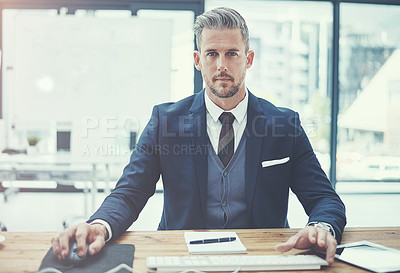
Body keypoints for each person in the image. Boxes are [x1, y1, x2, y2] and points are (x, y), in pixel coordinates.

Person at [52, 7, 346, 264]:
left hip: (264, 257)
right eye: (212, 54)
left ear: (249, 58)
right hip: (180, 259)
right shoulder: (164, 121)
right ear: (197, 59)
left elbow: (324, 198)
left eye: (232, 54)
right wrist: (100, 225)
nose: (222, 65)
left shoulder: (285, 124)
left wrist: (321, 227)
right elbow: (129, 193)